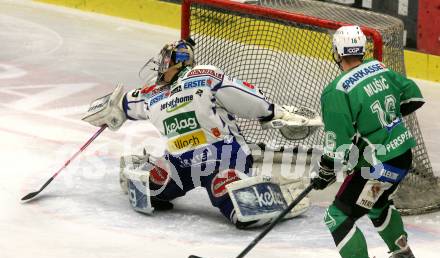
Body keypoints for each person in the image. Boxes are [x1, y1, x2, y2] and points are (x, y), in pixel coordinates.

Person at [82, 39, 317, 229]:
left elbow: (245, 97)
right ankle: (149, 169)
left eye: (162, 61)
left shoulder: (204, 76)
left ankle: (284, 191)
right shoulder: (151, 94)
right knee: (150, 189)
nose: (158, 67)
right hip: (180, 163)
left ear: (171, 61)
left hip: (224, 157)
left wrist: (271, 112)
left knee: (241, 208)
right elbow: (123, 104)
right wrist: (110, 109)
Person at [311, 25, 424, 258]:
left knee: (336, 215)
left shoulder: (336, 90)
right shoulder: (381, 69)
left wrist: (325, 171)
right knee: (377, 203)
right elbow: (415, 97)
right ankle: (402, 250)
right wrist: (384, 125)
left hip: (377, 164)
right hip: (402, 156)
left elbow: (337, 146)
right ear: (362, 49)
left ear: (337, 52)